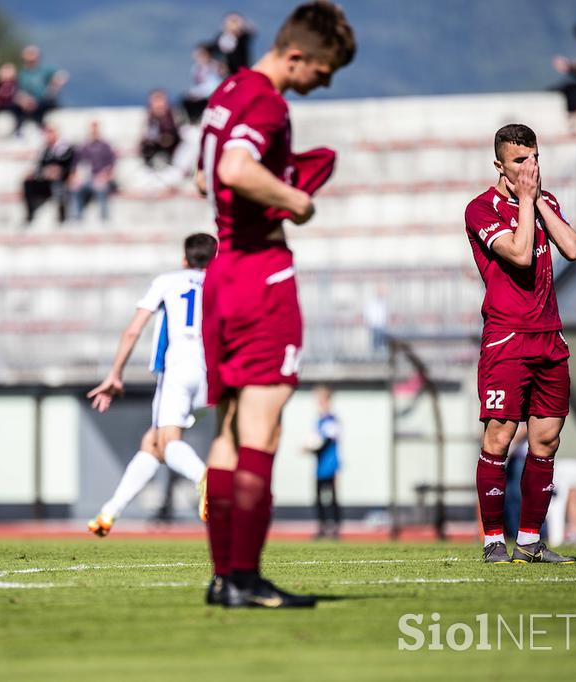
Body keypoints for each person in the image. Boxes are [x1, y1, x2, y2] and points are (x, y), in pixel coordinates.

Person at [198, 0, 355, 609]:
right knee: (263, 428)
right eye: (323, 69)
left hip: (223, 272)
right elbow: (237, 169)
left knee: (230, 431)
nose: (325, 81)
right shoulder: (266, 100)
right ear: (296, 55)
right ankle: (244, 577)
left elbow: (204, 176)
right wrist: (296, 199)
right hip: (261, 272)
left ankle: (222, 577)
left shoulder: (225, 92)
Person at [464, 123, 576, 564]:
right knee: (499, 435)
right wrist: (528, 202)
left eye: (534, 158)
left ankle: (530, 539)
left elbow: (572, 247)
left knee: (547, 440)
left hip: (550, 335)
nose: (529, 168)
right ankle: (494, 538)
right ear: (499, 165)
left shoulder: (545, 201)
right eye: (519, 161)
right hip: (507, 337)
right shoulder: (480, 208)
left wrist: (538, 201)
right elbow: (517, 251)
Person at [87, 234, 218, 536]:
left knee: (168, 441)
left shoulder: (168, 281)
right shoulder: (220, 284)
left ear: (184, 259)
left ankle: (205, 477)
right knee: (153, 443)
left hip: (178, 368)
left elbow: (133, 331)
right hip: (210, 374)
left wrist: (114, 374)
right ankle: (109, 512)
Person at [304, 385, 341, 539]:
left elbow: (325, 442)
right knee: (319, 499)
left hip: (330, 466)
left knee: (332, 499)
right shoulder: (318, 421)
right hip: (320, 468)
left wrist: (311, 449)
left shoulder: (332, 420)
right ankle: (322, 528)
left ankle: (335, 529)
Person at [22, 126, 74, 225]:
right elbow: (39, 167)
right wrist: (44, 172)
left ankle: (62, 216)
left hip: (61, 179)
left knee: (59, 184)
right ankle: (30, 214)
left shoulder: (65, 148)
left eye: (51, 132)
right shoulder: (44, 150)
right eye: (47, 133)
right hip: (46, 180)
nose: (49, 136)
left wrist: (59, 172)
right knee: (28, 182)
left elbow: (69, 166)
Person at [68, 120, 117, 222]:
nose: (94, 131)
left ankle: (104, 218)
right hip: (86, 178)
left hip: (101, 178)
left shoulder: (106, 146)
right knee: (75, 187)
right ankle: (77, 217)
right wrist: (75, 176)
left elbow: (111, 165)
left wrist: (105, 175)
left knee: (101, 187)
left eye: (96, 128)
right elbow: (76, 165)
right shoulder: (83, 147)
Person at [17, 45, 68, 130]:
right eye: (28, 53)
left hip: (44, 101)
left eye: (32, 53)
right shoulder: (23, 73)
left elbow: (62, 75)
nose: (30, 55)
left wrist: (53, 88)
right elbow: (19, 91)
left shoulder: (45, 69)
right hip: (29, 103)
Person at [182, 43, 225, 123]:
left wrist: (199, 93)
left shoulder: (216, 65)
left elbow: (216, 83)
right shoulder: (196, 68)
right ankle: (193, 120)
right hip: (202, 92)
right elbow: (197, 84)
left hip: (213, 92)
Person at [140, 89, 180, 168]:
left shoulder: (175, 118)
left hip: (171, 157)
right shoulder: (148, 120)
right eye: (155, 101)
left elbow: (169, 139)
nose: (158, 105)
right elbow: (143, 139)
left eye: (160, 101)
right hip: (151, 156)